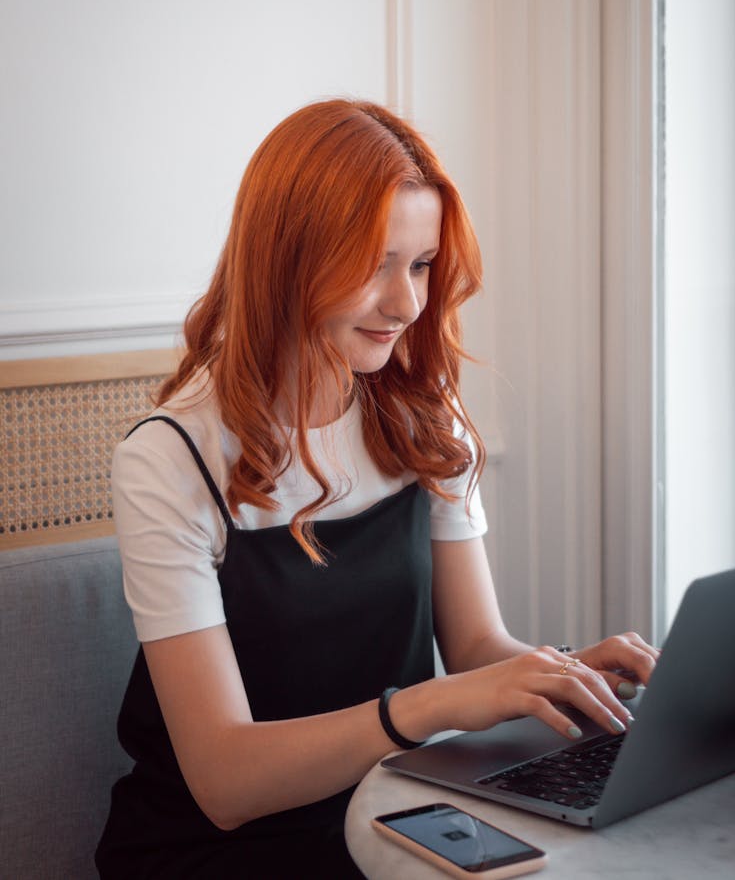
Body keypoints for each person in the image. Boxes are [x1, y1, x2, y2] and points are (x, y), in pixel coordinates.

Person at [96, 99, 658, 879]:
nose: (407, 303)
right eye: (375, 261)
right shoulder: (170, 457)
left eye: (422, 263)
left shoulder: (426, 418)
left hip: (397, 818)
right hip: (217, 855)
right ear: (288, 254)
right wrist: (420, 708)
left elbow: (474, 649)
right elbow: (224, 781)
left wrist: (560, 674)